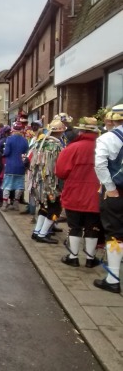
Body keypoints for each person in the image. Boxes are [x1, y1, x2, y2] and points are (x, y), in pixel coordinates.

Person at [55, 117, 101, 268]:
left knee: (74, 226)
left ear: (81, 131)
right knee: (92, 226)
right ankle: (90, 258)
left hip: (74, 193)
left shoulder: (72, 148)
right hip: (96, 194)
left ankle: (73, 256)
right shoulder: (102, 146)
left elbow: (61, 172)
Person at [93, 105, 123, 293]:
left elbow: (100, 164)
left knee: (114, 234)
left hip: (117, 192)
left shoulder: (108, 138)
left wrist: (110, 188)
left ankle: (113, 279)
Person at [30, 116, 66, 244]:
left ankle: (37, 231)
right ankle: (42, 234)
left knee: (44, 206)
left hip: (39, 183)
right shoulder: (56, 146)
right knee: (55, 208)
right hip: (52, 184)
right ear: (60, 132)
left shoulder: (40, 143)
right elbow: (60, 167)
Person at [2, 122, 29, 211]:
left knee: (7, 185)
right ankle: (16, 203)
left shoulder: (9, 139)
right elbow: (26, 152)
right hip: (20, 166)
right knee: (19, 185)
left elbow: (6, 152)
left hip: (10, 165)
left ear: (13, 130)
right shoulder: (25, 140)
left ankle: (5, 203)